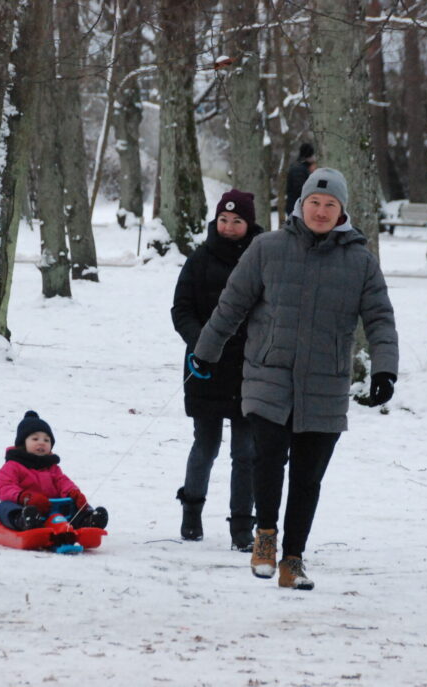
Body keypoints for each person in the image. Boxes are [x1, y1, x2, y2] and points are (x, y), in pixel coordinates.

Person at [190, 167, 398, 590]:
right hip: (269, 375)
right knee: (267, 459)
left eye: (330, 205)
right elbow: (232, 304)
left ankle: (293, 559)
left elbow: (379, 317)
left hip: (326, 382)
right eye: (314, 203)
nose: (320, 211)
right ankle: (264, 536)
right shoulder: (267, 248)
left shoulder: (359, 261)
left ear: (342, 212)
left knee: (308, 477)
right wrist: (205, 353)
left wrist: (385, 369)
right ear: (301, 206)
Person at [171, 189, 264, 551]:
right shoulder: (199, 260)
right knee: (205, 445)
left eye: (236, 221)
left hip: (249, 371)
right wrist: (202, 345)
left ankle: (242, 526)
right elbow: (181, 309)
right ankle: (191, 511)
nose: (228, 227)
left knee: (246, 452)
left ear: (249, 223)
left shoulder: (262, 259)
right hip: (205, 369)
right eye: (223, 220)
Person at [0, 411, 109, 531]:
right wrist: (25, 497)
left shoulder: (52, 467)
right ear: (23, 443)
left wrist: (73, 493)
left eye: (47, 440)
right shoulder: (13, 466)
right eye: (35, 438)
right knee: (4, 507)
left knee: (78, 505)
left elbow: (63, 482)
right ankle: (24, 521)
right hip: (26, 507)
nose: (42, 442)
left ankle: (89, 520)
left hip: (54, 509)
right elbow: (3, 486)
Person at [283, 142, 317, 217]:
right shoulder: (299, 169)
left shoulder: (300, 167)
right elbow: (300, 189)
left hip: (297, 207)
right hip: (296, 208)